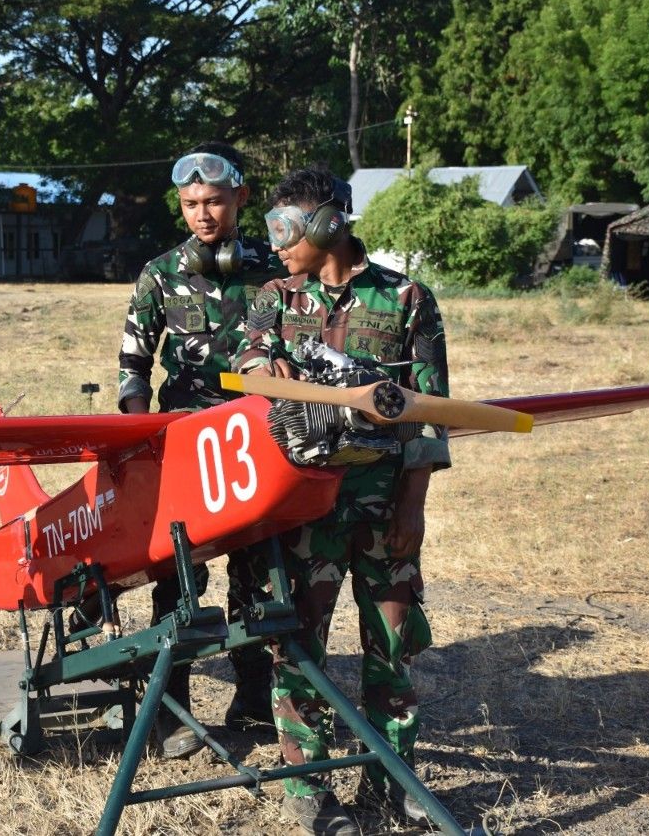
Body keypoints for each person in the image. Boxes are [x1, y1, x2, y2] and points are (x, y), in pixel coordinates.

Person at [234, 166, 449, 835]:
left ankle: (394, 781)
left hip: (385, 508)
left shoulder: (408, 299)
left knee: (392, 645)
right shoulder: (275, 298)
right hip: (306, 509)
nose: (275, 246)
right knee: (299, 647)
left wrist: (413, 506)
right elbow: (244, 370)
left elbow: (429, 413)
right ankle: (308, 790)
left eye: (286, 231)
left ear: (328, 224)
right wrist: (271, 375)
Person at [117, 141, 287, 758]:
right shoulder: (159, 273)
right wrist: (143, 438)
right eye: (191, 203)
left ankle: (253, 698)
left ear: (240, 197)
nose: (203, 214)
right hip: (183, 446)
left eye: (214, 201)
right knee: (177, 573)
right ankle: (171, 708)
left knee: (258, 569)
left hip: (257, 440)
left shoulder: (272, 269)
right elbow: (133, 368)